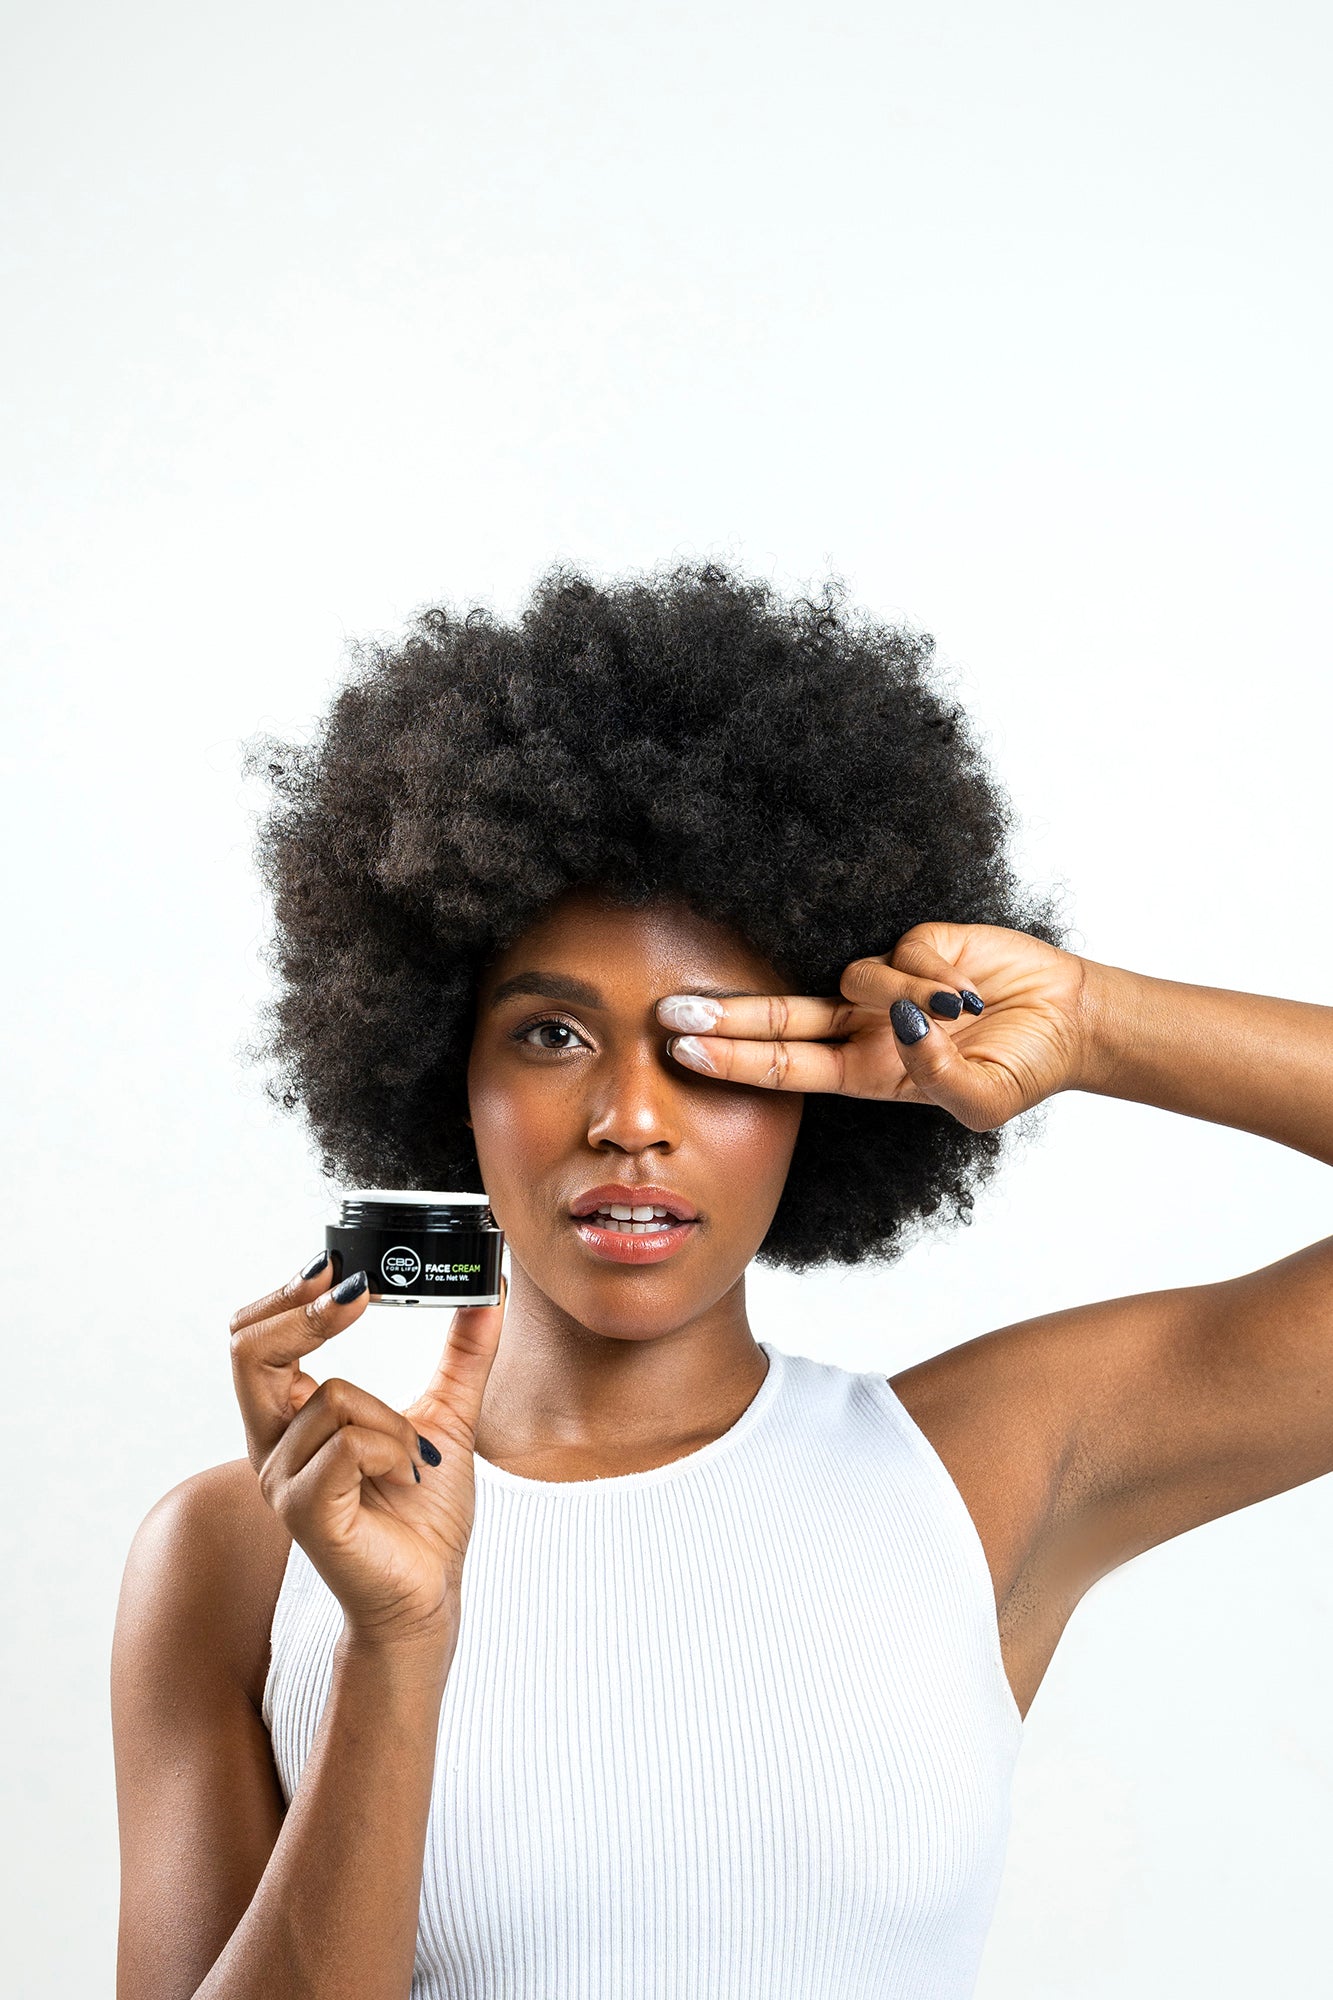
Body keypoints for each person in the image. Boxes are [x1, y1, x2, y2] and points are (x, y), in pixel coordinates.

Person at [111, 562, 1333, 2000]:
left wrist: (1099, 1021)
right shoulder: (246, 1549)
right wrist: (395, 1644)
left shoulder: (985, 1472)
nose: (633, 1115)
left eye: (705, 1045)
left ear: (814, 1086)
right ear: (451, 1078)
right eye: (552, 1037)